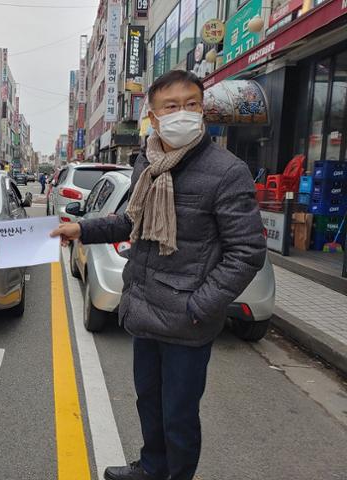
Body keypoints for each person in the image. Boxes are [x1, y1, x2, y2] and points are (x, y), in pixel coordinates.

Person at [52, 70, 266, 480]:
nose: (182, 114)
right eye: (171, 106)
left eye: (192, 104)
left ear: (203, 110)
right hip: (145, 309)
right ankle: (151, 468)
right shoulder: (147, 163)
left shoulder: (227, 171)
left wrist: (198, 307)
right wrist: (81, 228)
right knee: (148, 401)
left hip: (187, 321)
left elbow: (247, 252)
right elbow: (132, 222)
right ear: (152, 115)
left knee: (179, 416)